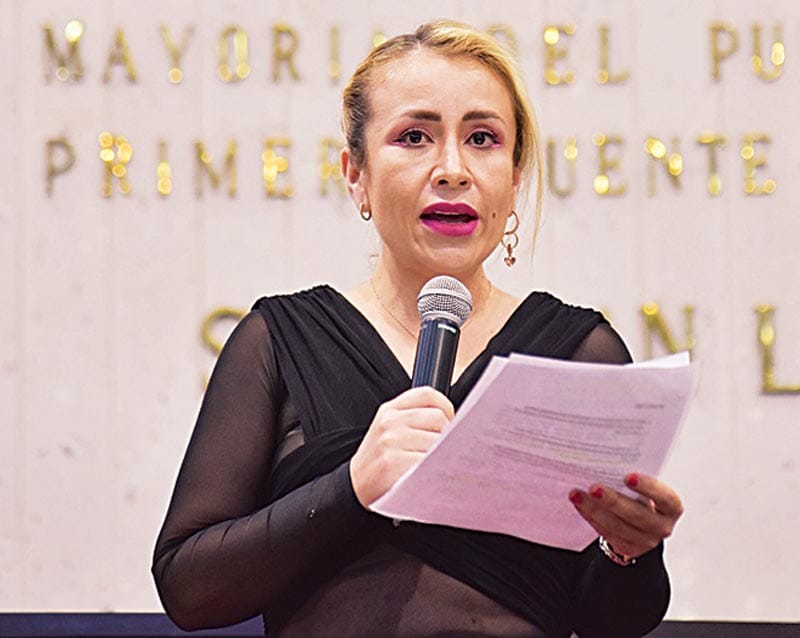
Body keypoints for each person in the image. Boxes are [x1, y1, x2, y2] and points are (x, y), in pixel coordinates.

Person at [152, 19, 683, 638]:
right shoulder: (276, 340)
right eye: (414, 137)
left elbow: (612, 622)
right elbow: (188, 590)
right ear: (356, 174)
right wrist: (353, 487)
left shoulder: (580, 352)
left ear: (514, 177)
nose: (453, 169)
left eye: (482, 138)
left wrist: (629, 550)